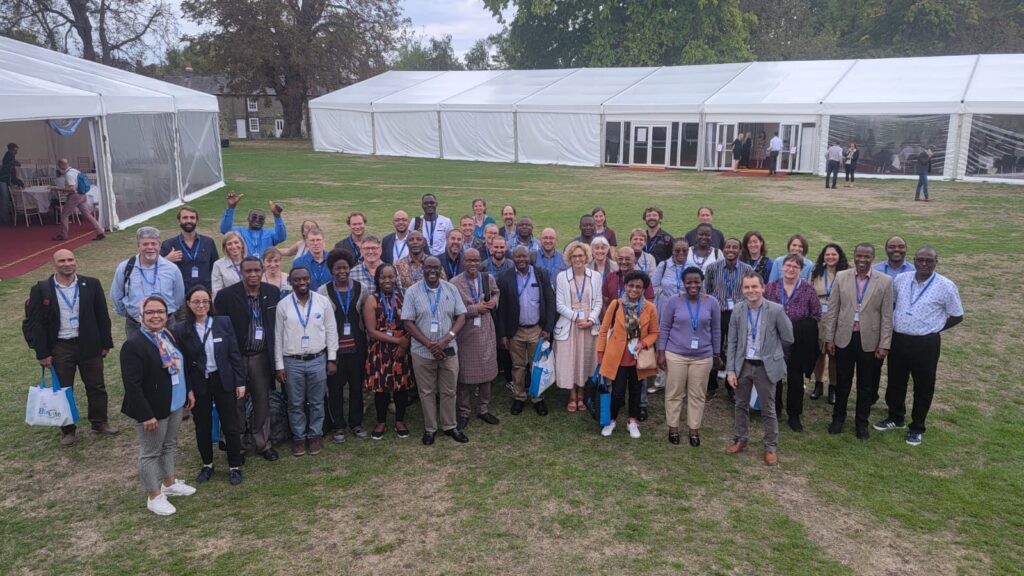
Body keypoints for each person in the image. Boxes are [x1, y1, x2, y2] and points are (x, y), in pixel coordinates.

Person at [27, 249, 116, 446]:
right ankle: (68, 430)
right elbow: (36, 324)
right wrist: (42, 353)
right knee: (63, 390)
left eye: (70, 259)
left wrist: (105, 343)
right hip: (61, 346)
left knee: (96, 386)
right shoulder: (41, 289)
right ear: (54, 264)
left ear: (76, 262)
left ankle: (99, 422)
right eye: (62, 261)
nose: (67, 264)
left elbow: (102, 315)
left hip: (89, 345)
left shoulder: (91, 284)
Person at [876, 247, 963, 446]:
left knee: (923, 385)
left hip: (926, 343)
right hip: (899, 339)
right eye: (920, 260)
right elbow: (893, 304)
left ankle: (917, 427)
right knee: (896, 381)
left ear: (936, 262)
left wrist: (935, 328)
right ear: (914, 260)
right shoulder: (901, 279)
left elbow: (957, 315)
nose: (924, 264)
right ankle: (896, 417)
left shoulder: (946, 285)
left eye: (929, 260)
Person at [120, 295, 196, 516]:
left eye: (160, 312)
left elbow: (181, 363)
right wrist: (146, 415)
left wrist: (188, 389)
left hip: (174, 402)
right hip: (152, 409)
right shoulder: (134, 345)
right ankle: (154, 496)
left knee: (168, 445)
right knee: (150, 453)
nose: (156, 316)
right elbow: (132, 385)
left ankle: (169, 483)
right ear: (141, 316)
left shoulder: (167, 335)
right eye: (150, 312)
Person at [175, 286, 245, 485]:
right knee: (202, 427)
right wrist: (188, 389)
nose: (201, 305)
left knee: (231, 425)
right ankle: (207, 464)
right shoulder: (180, 329)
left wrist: (240, 382)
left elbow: (234, 354)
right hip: (199, 383)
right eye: (196, 301)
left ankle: (234, 466)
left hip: (223, 380)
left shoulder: (223, 322)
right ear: (188, 304)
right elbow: (182, 363)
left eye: (205, 301)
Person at [214, 256, 281, 462]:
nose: (253, 275)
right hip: (236, 358)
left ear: (262, 271)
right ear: (241, 273)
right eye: (248, 271)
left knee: (262, 401)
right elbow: (220, 330)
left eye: (256, 271)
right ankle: (238, 445)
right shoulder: (226, 296)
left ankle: (263, 444)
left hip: (261, 357)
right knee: (237, 402)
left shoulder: (272, 292)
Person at [823, 243, 893, 439]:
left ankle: (861, 423)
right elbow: (833, 309)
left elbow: (887, 316)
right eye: (859, 256)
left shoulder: (885, 281)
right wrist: (829, 338)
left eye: (866, 256)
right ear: (854, 256)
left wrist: (884, 344)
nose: (862, 260)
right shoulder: (841, 276)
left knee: (866, 385)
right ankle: (838, 419)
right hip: (844, 338)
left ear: (873, 258)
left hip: (870, 340)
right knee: (842, 382)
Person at [725, 273, 793, 466]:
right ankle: (741, 438)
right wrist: (731, 370)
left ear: (763, 288)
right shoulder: (738, 310)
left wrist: (772, 350)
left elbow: (788, 338)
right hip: (743, 365)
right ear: (742, 290)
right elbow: (732, 342)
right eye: (746, 287)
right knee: (740, 404)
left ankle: (770, 446)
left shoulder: (776, 310)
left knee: (768, 408)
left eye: (754, 286)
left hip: (765, 366)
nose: (751, 291)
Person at [401, 256, 469, 445]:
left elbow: (461, 316)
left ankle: (450, 426)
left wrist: (446, 339)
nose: (432, 270)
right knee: (426, 392)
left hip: (448, 349)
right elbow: (407, 322)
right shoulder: (412, 292)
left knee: (449, 390)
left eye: (436, 267)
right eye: (428, 267)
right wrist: (430, 344)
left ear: (441, 270)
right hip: (422, 351)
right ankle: (430, 428)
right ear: (422, 268)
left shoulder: (451, 289)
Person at [274, 266, 338, 457]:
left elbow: (331, 330)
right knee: (295, 403)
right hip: (292, 361)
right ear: (290, 282)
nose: (301, 283)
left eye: (305, 279)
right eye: (297, 280)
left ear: (310, 280)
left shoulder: (322, 302)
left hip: (318, 359)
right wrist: (279, 365)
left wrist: (332, 358)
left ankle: (315, 435)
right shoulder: (283, 305)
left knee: (317, 401)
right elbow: (278, 336)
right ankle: (299, 437)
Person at [657, 266, 720, 446]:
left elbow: (716, 330)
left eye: (697, 282)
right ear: (683, 283)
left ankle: (694, 429)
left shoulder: (712, 302)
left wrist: (716, 354)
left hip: (703, 356)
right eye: (689, 282)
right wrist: (661, 352)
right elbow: (665, 327)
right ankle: (673, 427)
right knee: (674, 393)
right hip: (675, 354)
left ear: (702, 282)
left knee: (697, 394)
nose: (693, 285)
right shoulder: (674, 301)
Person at [596, 270, 660, 438]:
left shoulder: (650, 308)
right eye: (631, 285)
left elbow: (654, 332)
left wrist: (643, 343)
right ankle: (611, 420)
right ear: (625, 286)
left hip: (638, 358)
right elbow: (603, 330)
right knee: (617, 392)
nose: (634, 289)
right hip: (618, 357)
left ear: (643, 289)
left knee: (636, 391)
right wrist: (600, 352)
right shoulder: (616, 304)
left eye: (638, 287)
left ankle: (632, 421)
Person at [496, 246, 557, 417]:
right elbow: (501, 309)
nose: (521, 259)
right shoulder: (505, 277)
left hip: (537, 329)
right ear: (512, 258)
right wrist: (503, 334)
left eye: (524, 256)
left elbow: (550, 302)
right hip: (515, 331)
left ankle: (538, 398)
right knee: (518, 366)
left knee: (537, 365)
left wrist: (548, 328)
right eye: (517, 257)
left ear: (529, 257)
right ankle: (519, 397)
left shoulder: (541, 274)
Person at [764, 254, 821, 432]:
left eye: (795, 267)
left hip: (798, 341)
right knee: (775, 376)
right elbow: (762, 310)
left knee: (795, 377)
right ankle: (775, 409)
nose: (791, 269)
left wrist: (798, 327)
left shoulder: (808, 289)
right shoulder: (771, 287)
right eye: (788, 265)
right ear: (782, 267)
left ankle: (794, 414)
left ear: (801, 270)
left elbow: (816, 314)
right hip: (775, 339)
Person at [319, 249, 370, 443]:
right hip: (335, 349)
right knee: (335, 389)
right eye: (337, 268)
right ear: (331, 270)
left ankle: (356, 423)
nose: (342, 271)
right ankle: (338, 425)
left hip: (357, 347)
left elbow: (365, 316)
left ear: (350, 268)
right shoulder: (323, 291)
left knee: (357, 387)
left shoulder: (361, 288)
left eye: (345, 267)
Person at [362, 264, 415, 439]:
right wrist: (398, 341)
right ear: (377, 279)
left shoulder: (404, 297)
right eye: (383, 277)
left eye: (391, 277)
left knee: (401, 387)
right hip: (380, 349)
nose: (387, 280)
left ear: (396, 278)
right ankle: (381, 421)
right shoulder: (372, 299)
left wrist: (404, 343)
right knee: (381, 388)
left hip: (402, 349)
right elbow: (371, 331)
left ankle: (400, 420)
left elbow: (412, 322)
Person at [451, 248, 501, 430]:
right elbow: (452, 309)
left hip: (486, 329)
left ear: (480, 261)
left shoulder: (487, 278)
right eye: (469, 260)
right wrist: (474, 309)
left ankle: (483, 409)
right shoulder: (454, 283)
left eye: (476, 260)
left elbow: (496, 292)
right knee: (464, 374)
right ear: (463, 262)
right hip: (465, 332)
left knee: (487, 370)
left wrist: (494, 301)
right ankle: (464, 411)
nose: (473, 264)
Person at [553, 241, 603, 413]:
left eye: (581, 255)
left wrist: (591, 319)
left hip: (589, 324)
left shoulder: (595, 276)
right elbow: (559, 305)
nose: (577, 259)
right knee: (570, 360)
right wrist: (576, 318)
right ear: (569, 258)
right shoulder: (562, 277)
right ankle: (572, 395)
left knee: (585, 359)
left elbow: (599, 301)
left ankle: (582, 394)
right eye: (574, 256)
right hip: (570, 323)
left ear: (586, 257)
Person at [112, 227, 185, 339]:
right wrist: (131, 314)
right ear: (138, 246)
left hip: (166, 325)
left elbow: (178, 298)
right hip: (136, 325)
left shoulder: (172, 269)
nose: (150, 247)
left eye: (153, 244)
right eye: (145, 244)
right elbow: (116, 296)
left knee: (167, 351)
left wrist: (166, 313)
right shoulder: (125, 267)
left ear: (159, 246)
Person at [703, 239, 754, 399]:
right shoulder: (712, 268)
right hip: (718, 314)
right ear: (723, 249)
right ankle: (711, 386)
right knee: (714, 348)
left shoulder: (747, 269)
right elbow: (707, 291)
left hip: (738, 314)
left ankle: (731, 387)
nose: (731, 250)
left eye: (735, 247)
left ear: (740, 251)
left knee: (735, 349)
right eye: (728, 247)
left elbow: (750, 291)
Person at [810, 243, 849, 404]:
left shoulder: (846, 274)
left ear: (839, 256)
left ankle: (833, 387)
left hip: (837, 316)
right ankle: (818, 384)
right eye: (827, 254)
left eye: (833, 254)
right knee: (819, 353)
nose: (830, 257)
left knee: (834, 354)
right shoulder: (816, 272)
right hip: (819, 316)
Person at [161, 206, 219, 298]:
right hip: (180, 296)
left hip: (205, 295)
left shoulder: (208, 242)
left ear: (196, 221)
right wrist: (166, 260)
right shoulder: (169, 244)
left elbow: (216, 268)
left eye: (192, 218)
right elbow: (158, 270)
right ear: (179, 221)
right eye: (185, 218)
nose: (189, 220)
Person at [218, 192, 287, 257]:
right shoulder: (240, 232)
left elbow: (282, 237)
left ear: (264, 221)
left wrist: (277, 216)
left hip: (264, 265)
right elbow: (225, 230)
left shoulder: (269, 233)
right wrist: (231, 208)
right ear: (248, 218)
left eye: (261, 218)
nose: (257, 220)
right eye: (254, 217)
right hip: (244, 264)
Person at [53, 158, 105, 242]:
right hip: (82, 194)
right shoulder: (75, 171)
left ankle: (63, 234)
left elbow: (72, 189)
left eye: (59, 166)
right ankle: (100, 231)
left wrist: (58, 189)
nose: (59, 168)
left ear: (62, 165)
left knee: (64, 215)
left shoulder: (68, 174)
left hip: (75, 196)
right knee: (88, 214)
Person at [210, 231, 245, 297]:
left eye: (236, 242)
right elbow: (216, 291)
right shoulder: (218, 265)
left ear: (242, 244)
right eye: (229, 244)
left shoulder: (251, 262)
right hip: (229, 301)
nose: (233, 246)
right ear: (225, 247)